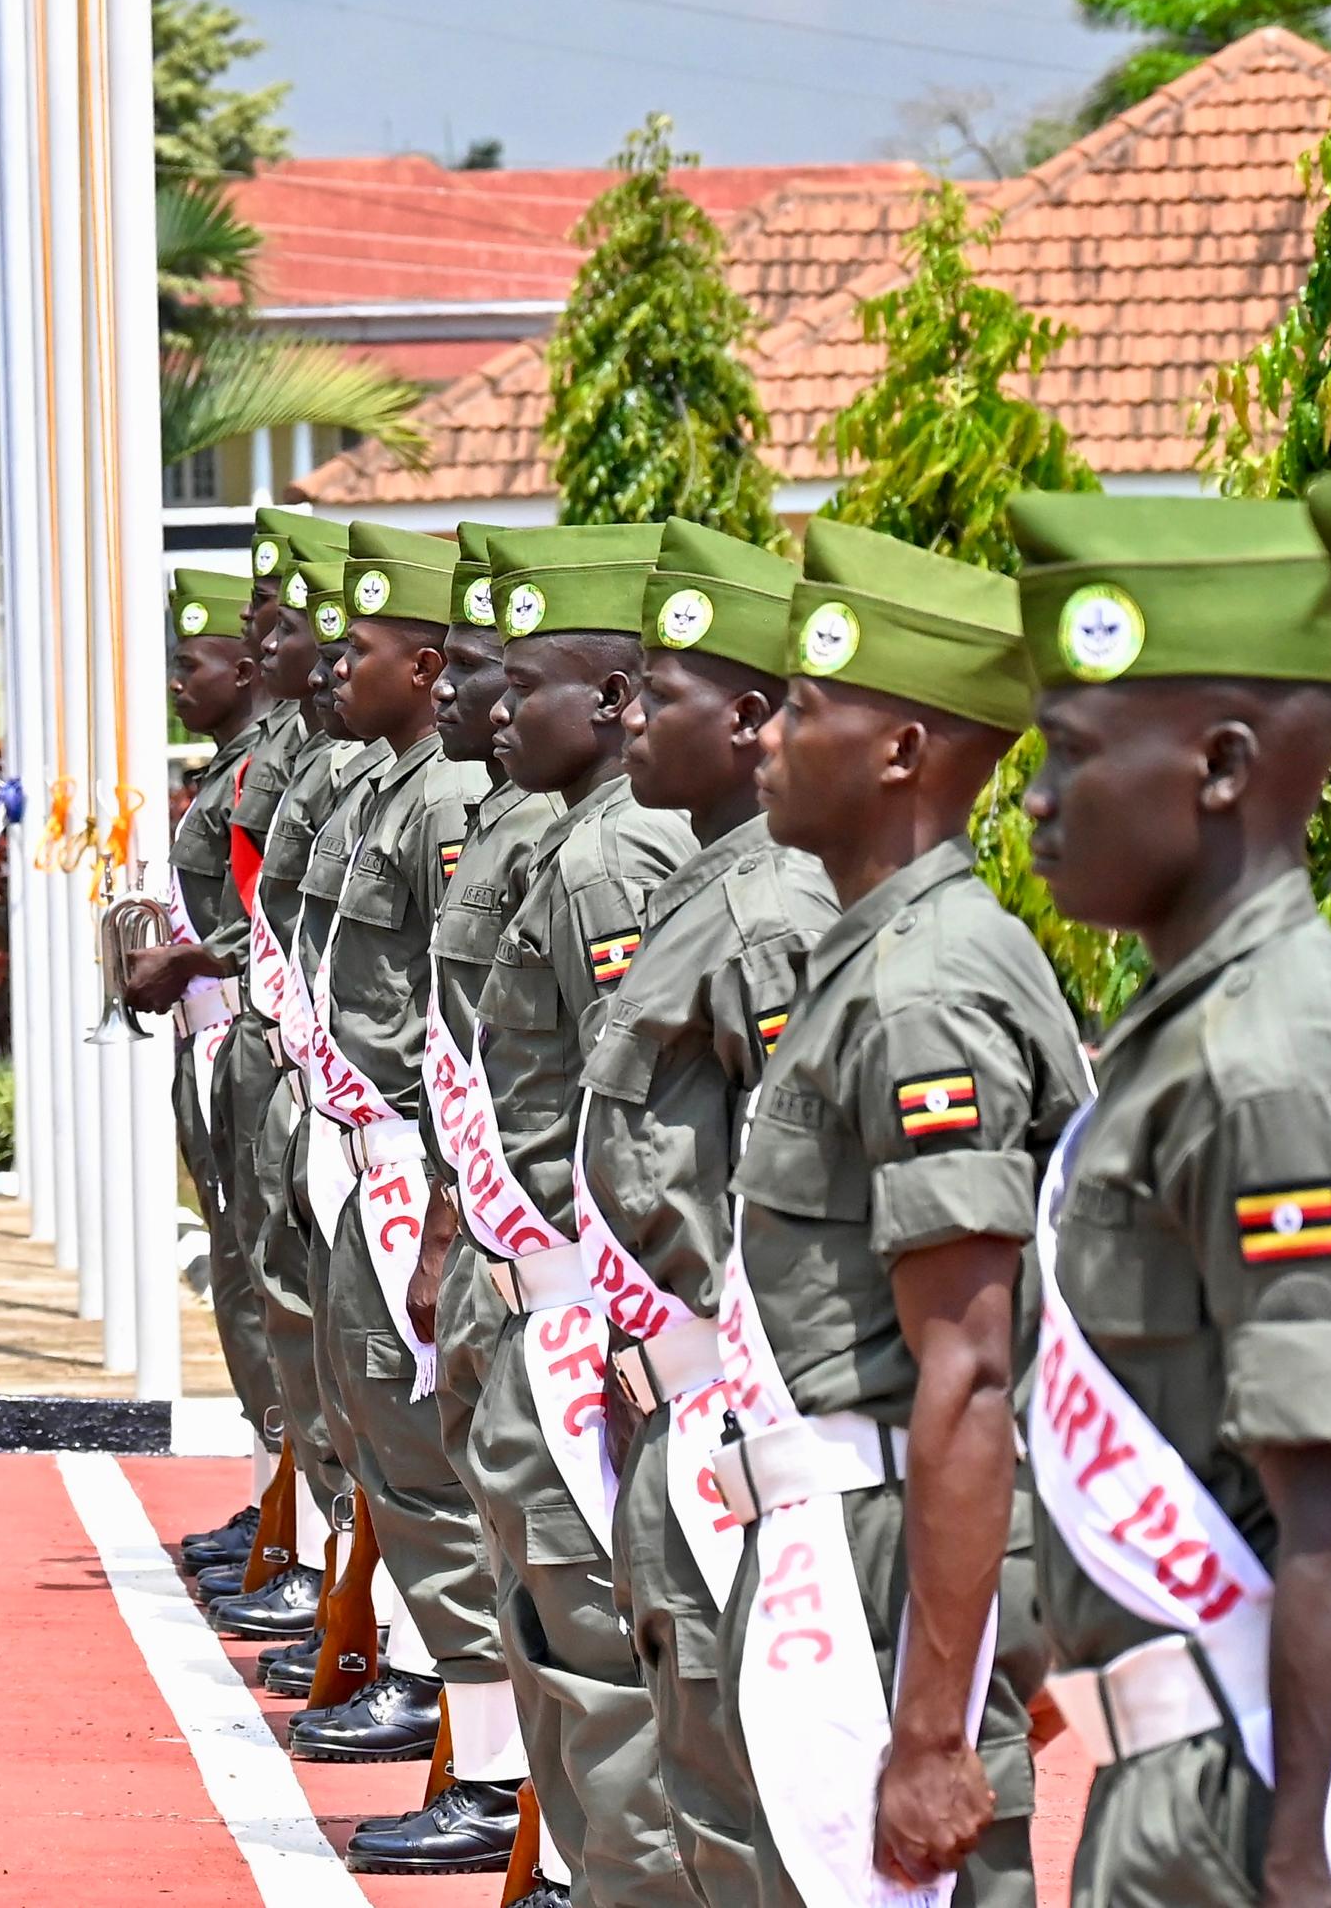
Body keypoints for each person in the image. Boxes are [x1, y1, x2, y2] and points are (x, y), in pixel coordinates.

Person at [713, 519, 1083, 1908]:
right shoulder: (869, 958)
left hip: (884, 1558)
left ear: (903, 753)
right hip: (844, 1538)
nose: (767, 736)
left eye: (804, 707)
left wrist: (932, 1728)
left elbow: (971, 1364)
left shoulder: (928, 988)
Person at [1011, 484, 1331, 1908]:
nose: (1030, 798)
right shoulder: (1181, 1031)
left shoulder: (1265, 1055)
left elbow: (1329, 1495)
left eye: (1073, 755)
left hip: (1252, 1786)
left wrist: (1298, 1857)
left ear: (1219, 764)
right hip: (1178, 1773)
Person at [581, 520, 838, 1903]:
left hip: (744, 1404)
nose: (628, 714)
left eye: (656, 693)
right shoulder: (707, 885)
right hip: (678, 1383)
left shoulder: (773, 914)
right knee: (700, 1748)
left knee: (753, 1786)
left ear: (745, 716)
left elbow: (776, 1185)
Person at [460, 523, 697, 1906]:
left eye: (522, 682)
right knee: (563, 1627)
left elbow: (635, 1123)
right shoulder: (579, 838)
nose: (491, 706)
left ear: (608, 703)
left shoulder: (615, 863)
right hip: (548, 1293)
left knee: (601, 1644)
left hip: (590, 1309)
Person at [347, 521, 563, 1874]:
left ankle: (500, 1779)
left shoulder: (541, 838)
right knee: (460, 1487)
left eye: (495, 671)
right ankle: (500, 1770)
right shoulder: (470, 811)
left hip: (519, 1237)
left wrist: (443, 1204)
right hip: (428, 1187)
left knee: (543, 1537)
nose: (476, 696)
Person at [288, 521, 503, 1795]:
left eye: (356, 649)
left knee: (431, 1457)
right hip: (361, 1150)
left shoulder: (451, 808)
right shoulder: (386, 785)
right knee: (381, 1435)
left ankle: (480, 1759)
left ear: (424, 669)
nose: (326, 667)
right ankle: (447, 1703)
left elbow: (453, 1024)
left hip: (415, 1170)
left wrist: (431, 1201)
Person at [177, 508, 351, 1584]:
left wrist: (195, 963)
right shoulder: (288, 762)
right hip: (249, 1052)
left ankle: (330, 1566)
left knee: (318, 1324)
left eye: (270, 626)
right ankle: (285, 1517)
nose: (262, 647)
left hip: (301, 1071)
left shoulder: (327, 769)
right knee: (261, 1297)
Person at [125, 569, 283, 1580]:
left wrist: (189, 957)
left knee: (273, 1293)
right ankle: (277, 1503)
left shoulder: (263, 767)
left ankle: (295, 1523)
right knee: (243, 1283)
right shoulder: (234, 764)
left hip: (253, 1040)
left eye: (193, 661)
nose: (179, 680)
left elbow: (267, 915)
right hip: (220, 1044)